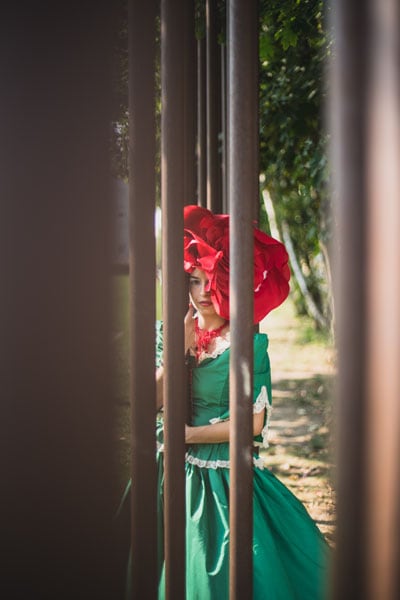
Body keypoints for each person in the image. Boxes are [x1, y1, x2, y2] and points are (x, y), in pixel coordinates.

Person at [121, 205, 330, 599]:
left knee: (215, 568)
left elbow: (252, 424)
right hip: (167, 470)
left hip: (220, 472)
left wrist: (189, 434)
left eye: (211, 283)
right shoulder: (170, 332)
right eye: (194, 282)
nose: (202, 295)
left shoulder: (248, 345)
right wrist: (178, 353)